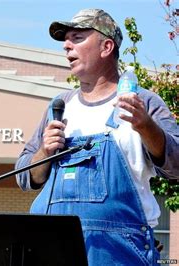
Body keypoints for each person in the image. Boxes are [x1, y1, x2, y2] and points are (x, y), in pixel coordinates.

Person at [15, 8, 179, 266]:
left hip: (120, 254)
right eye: (66, 41)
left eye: (77, 38)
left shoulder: (143, 102)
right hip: (52, 250)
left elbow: (177, 166)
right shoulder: (59, 107)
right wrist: (45, 153)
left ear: (106, 47)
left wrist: (146, 126)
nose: (67, 46)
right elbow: (24, 177)